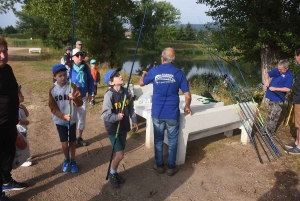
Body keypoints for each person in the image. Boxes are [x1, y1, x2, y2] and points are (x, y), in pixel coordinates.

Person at [139, 47, 192, 176]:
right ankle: (171, 167)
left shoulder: (155, 70)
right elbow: (188, 95)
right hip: (172, 113)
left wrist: (144, 75)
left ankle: (159, 165)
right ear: (173, 60)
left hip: (157, 112)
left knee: (158, 139)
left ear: (162, 58)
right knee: (173, 139)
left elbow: (141, 83)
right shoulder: (179, 73)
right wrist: (187, 107)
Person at [0, 36, 28, 201]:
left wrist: (19, 95)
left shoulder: (8, 69)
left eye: (5, 51)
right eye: (0, 53)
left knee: (9, 155)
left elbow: (14, 86)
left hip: (10, 122)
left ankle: (7, 180)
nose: (3, 56)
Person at [101, 68, 138, 188]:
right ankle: (112, 173)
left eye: (119, 74)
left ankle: (114, 171)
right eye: (116, 76)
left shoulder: (126, 92)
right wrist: (116, 117)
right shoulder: (109, 95)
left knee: (120, 153)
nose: (120, 76)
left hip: (123, 127)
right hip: (113, 129)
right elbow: (105, 115)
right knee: (120, 155)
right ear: (111, 82)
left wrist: (134, 120)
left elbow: (131, 107)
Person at [49, 64, 83, 173]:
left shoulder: (72, 87)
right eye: (60, 76)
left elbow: (80, 103)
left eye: (65, 75)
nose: (63, 78)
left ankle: (73, 160)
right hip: (60, 121)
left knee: (72, 142)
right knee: (64, 143)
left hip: (72, 120)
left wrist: (74, 98)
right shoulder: (52, 90)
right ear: (54, 76)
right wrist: (62, 116)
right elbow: (53, 108)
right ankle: (66, 159)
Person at [70, 48, 94, 146]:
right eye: (77, 55)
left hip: (83, 97)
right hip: (71, 98)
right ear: (72, 58)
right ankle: (72, 139)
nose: (80, 57)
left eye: (81, 55)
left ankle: (79, 137)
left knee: (82, 118)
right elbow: (62, 82)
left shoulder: (85, 67)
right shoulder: (68, 68)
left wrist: (90, 93)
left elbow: (91, 80)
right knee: (72, 118)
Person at [264, 59, 293, 137]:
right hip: (271, 96)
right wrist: (267, 80)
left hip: (279, 98)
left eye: (281, 69)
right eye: (278, 68)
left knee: (274, 116)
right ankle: (268, 130)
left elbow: (288, 89)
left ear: (286, 68)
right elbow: (267, 74)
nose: (279, 70)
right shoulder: (278, 70)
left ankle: (270, 133)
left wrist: (275, 89)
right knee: (270, 114)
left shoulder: (289, 76)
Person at [286, 49, 300, 154]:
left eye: (295, 55)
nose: (294, 57)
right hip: (297, 100)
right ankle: (297, 142)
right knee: (296, 123)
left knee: (299, 124)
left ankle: (299, 147)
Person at [17, 85, 32, 167]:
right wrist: (26, 122)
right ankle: (22, 161)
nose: (23, 96)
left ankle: (26, 155)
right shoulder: (16, 108)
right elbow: (18, 122)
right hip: (20, 130)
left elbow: (27, 114)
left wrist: (24, 107)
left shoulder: (21, 106)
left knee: (25, 142)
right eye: (20, 95)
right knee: (21, 145)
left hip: (23, 129)